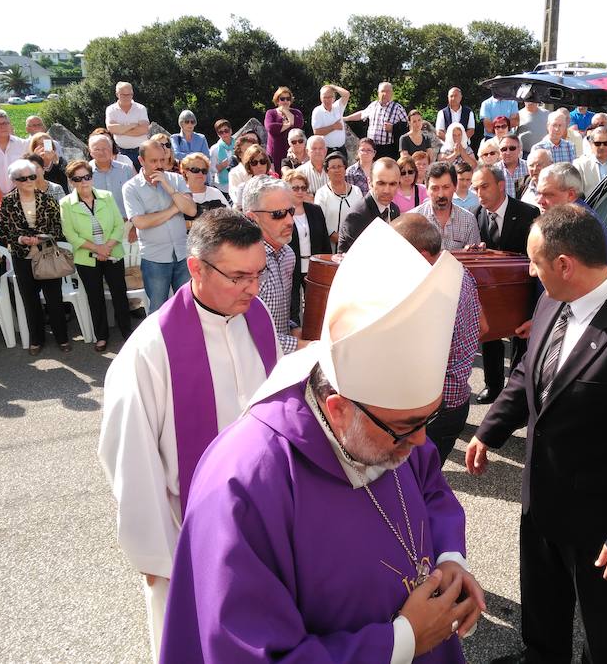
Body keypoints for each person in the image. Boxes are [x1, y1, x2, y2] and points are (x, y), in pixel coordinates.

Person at [160, 219, 484, 663]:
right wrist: (400, 642)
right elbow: (249, 652)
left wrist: (450, 558)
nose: (421, 441)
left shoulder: (389, 424)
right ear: (337, 408)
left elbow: (430, 484)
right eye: (408, 426)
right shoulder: (244, 485)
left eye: (427, 419)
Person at [466, 204, 607, 664]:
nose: (530, 270)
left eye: (535, 261)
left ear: (564, 264)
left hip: (599, 517)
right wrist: (489, 430)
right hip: (542, 496)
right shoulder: (553, 300)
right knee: (542, 595)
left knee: (602, 619)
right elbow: (530, 371)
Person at [98, 210, 280, 662]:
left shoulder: (257, 319)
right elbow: (131, 462)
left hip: (264, 521)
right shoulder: (149, 351)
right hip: (189, 535)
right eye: (239, 277)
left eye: (259, 273)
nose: (253, 289)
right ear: (196, 267)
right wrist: (158, 557)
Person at [392, 212, 483, 462]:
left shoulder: (431, 294)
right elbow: (483, 326)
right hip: (456, 401)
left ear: (420, 256)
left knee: (416, 488)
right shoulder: (457, 270)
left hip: (434, 410)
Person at [471, 165, 539, 404]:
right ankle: (493, 386)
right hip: (490, 292)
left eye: (484, 186)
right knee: (489, 337)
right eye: (475, 187)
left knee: (521, 341)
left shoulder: (528, 213)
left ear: (501, 185)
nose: (479, 192)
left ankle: (516, 391)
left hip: (521, 290)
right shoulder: (476, 215)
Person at [0, 158, 70, 355]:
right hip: (21, 257)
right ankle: (36, 340)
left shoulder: (47, 199)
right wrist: (20, 238)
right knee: (30, 300)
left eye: (32, 177)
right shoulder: (7, 201)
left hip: (46, 255)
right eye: (23, 178)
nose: (28, 181)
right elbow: (0, 230)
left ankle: (62, 338)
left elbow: (58, 226)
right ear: (15, 180)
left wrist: (42, 238)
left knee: (54, 299)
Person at [59, 160, 132, 351]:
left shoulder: (106, 197)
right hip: (86, 258)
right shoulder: (65, 204)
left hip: (113, 252)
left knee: (119, 294)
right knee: (95, 297)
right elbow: (71, 235)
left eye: (87, 177)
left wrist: (106, 247)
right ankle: (101, 336)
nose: (84, 182)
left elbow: (118, 225)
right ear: (71, 182)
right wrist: (97, 249)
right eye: (78, 179)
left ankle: (127, 333)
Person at [122, 140, 196, 312]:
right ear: (141, 161)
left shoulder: (175, 180)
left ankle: (186, 338)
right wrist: (173, 209)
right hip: (154, 258)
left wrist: (169, 188)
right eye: (153, 161)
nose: (159, 165)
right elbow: (140, 223)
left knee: (187, 305)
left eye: (162, 160)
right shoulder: (131, 188)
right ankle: (161, 339)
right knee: (158, 308)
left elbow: (191, 210)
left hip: (182, 253)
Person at [243, 175, 305, 354]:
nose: (289, 221)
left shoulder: (288, 254)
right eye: (278, 214)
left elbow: (283, 313)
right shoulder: (245, 264)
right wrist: (304, 346)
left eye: (291, 211)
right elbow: (247, 333)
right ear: (253, 217)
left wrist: (293, 327)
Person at [536, 163, 607, 270]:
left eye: (548, 195)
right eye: (539, 193)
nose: (540, 201)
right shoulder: (580, 218)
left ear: (571, 194)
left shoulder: (575, 226)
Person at [284, 171, 331, 325]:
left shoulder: (315, 210)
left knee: (316, 306)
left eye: (303, 188)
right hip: (291, 267)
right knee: (293, 307)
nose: (300, 192)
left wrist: (326, 265)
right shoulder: (282, 213)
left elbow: (324, 238)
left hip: (313, 266)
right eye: (295, 188)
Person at [409, 162, 481, 251]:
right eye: (435, 188)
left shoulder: (468, 220)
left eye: (446, 187)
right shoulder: (412, 220)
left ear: (455, 187)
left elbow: (474, 258)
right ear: (427, 189)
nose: (441, 194)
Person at [337, 157, 401, 252]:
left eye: (392, 184)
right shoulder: (356, 216)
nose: (387, 190)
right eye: (381, 183)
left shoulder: (394, 210)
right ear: (369, 182)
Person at [343, 81, 408, 160]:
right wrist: (346, 118)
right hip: (371, 147)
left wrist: (393, 128)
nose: (385, 94)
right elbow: (361, 114)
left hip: (387, 149)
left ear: (392, 93)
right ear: (378, 93)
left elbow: (407, 127)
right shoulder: (373, 105)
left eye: (388, 91)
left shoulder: (398, 108)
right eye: (382, 91)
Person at [314, 151, 364, 250]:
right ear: (327, 171)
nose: (337, 170)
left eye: (340, 166)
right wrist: (338, 238)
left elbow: (361, 217)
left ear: (345, 169)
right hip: (329, 247)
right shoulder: (322, 193)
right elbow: (319, 221)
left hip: (354, 245)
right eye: (333, 167)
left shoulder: (356, 191)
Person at [88, 133, 135, 220]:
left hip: (126, 222)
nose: (102, 152)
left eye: (105, 148)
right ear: (91, 152)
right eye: (97, 149)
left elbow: (135, 196)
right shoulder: (85, 174)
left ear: (111, 149)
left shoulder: (125, 169)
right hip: (98, 224)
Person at [105, 82, 149, 169]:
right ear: (117, 94)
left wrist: (120, 131)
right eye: (123, 95)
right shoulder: (111, 109)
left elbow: (144, 129)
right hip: (121, 152)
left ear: (132, 94)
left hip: (141, 151)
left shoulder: (140, 108)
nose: (126, 97)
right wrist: (133, 125)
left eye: (129, 94)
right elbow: (111, 129)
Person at [181, 153, 228, 227]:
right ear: (185, 172)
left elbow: (230, 218)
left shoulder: (216, 193)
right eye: (195, 170)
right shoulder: (179, 195)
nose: (200, 173)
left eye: (204, 171)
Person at [264, 86, 304, 169]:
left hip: (293, 153)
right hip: (275, 153)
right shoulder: (271, 113)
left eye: (288, 99)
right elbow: (271, 128)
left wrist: (286, 111)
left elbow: (298, 124)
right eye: (282, 99)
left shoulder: (296, 112)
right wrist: (289, 124)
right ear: (277, 100)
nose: (285, 101)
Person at [573, 126, 607, 197]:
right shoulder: (580, 165)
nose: (602, 147)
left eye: (606, 143)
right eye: (598, 143)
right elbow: (576, 194)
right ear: (591, 144)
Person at [311, 84, 350, 159]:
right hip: (326, 150)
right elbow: (316, 132)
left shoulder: (338, 106)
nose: (327, 100)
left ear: (334, 98)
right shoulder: (317, 111)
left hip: (341, 149)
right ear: (320, 98)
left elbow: (346, 94)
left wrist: (333, 87)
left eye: (329, 97)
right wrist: (333, 127)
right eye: (324, 97)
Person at [209, 119, 234, 197]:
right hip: (222, 187)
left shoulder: (239, 145)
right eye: (220, 132)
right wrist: (222, 166)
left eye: (226, 130)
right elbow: (211, 170)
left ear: (231, 131)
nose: (224, 133)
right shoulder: (214, 149)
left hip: (239, 183)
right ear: (218, 134)